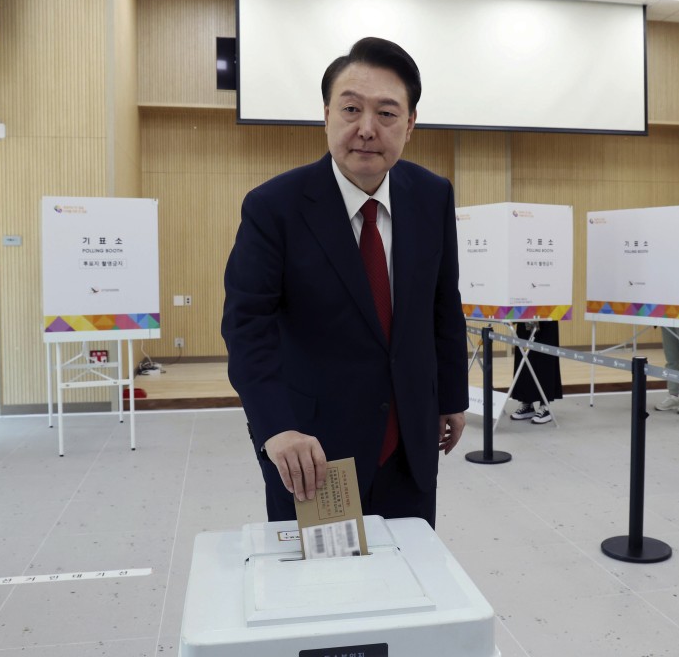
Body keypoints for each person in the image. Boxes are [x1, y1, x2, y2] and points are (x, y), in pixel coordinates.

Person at [221, 37, 468, 529]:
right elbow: (248, 326)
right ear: (327, 114)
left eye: (387, 114)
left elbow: (443, 301)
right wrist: (276, 428)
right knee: (320, 591)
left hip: (411, 439)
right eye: (351, 109)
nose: (366, 129)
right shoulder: (275, 207)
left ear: (411, 123)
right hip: (312, 449)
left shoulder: (432, 196)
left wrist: (451, 398)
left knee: (408, 580)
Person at [509, 321, 562, 424]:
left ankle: (545, 405)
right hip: (524, 311)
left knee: (544, 357)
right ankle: (527, 403)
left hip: (546, 313)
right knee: (524, 358)